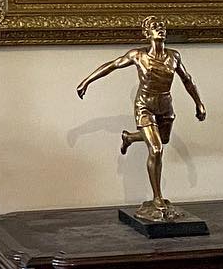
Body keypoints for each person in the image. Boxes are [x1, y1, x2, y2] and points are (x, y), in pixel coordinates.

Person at [76, 17, 207, 221]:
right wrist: (86, 81)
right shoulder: (138, 55)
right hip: (144, 105)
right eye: (154, 27)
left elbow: (187, 80)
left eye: (162, 27)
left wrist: (198, 103)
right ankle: (157, 198)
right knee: (156, 149)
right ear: (146, 34)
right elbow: (113, 65)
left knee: (163, 140)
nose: (160, 30)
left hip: (165, 106)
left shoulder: (174, 56)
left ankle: (129, 137)